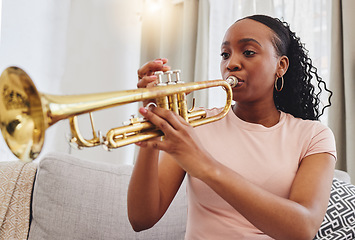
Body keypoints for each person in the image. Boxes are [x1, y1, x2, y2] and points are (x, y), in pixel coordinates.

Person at [127, 14, 336, 240]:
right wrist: (151, 121)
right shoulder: (195, 125)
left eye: (248, 52)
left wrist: (206, 166)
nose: (231, 64)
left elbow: (302, 228)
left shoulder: (314, 135)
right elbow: (141, 219)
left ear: (281, 65)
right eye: (225, 54)